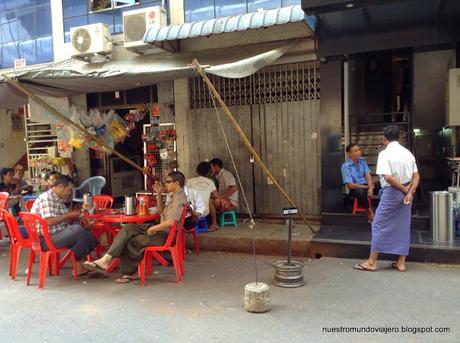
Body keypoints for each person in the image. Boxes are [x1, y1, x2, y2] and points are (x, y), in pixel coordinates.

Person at [83, 171, 188, 284]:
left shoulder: (179, 198)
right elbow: (162, 212)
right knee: (128, 228)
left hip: (166, 235)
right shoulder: (173, 195)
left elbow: (171, 222)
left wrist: (154, 228)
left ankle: (127, 273)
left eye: (168, 182)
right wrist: (158, 194)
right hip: (162, 230)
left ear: (176, 183)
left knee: (131, 241)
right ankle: (106, 259)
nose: (165, 184)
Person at [353, 125, 419, 272]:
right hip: (408, 192)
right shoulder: (408, 154)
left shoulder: (384, 154)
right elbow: (416, 176)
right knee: (403, 225)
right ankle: (401, 262)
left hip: (392, 192)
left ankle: (372, 262)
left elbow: (387, 177)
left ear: (384, 138)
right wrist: (409, 192)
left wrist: (402, 189)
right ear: (399, 137)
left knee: (378, 224)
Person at [31, 175, 98, 276]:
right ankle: (82, 260)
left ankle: (79, 266)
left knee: (81, 230)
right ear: (61, 186)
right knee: (78, 230)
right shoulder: (47, 199)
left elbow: (66, 217)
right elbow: (48, 222)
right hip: (44, 240)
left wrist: (79, 216)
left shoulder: (58, 199)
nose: (70, 193)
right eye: (68, 190)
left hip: (54, 234)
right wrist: (69, 215)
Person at [341, 143, 375, 222]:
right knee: (360, 192)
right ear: (349, 154)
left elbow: (368, 175)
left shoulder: (362, 161)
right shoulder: (346, 166)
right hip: (356, 188)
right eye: (356, 151)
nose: (359, 152)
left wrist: (370, 188)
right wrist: (367, 187)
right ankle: (369, 212)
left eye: (359, 150)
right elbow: (350, 185)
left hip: (366, 185)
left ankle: (385, 211)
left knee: (382, 185)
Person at [186, 161, 219, 231]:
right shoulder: (210, 182)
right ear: (208, 172)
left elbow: (186, 193)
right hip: (204, 212)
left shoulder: (190, 181)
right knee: (211, 200)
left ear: (197, 171)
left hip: (190, 211)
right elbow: (215, 195)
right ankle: (214, 223)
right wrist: (206, 193)